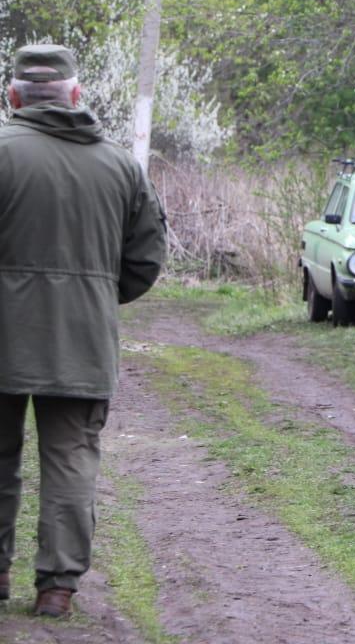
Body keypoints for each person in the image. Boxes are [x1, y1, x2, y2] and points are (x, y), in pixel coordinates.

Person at [0, 44, 167, 617]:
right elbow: (146, 260)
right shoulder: (121, 165)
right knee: (71, 458)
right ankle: (57, 589)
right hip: (83, 342)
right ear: (76, 95)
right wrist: (94, 294)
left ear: (13, 96)